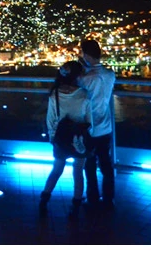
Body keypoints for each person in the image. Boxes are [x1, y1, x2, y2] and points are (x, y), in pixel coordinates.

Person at [39, 61, 93, 219]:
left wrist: (52, 137)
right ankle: (75, 205)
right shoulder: (84, 95)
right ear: (77, 76)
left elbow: (50, 119)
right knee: (78, 171)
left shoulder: (55, 93)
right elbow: (89, 120)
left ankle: (44, 200)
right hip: (79, 139)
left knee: (57, 169)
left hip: (60, 138)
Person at [78, 39, 116, 210]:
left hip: (90, 128)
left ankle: (93, 197)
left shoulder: (84, 79)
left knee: (90, 164)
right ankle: (109, 199)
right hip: (106, 127)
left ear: (85, 55)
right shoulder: (110, 75)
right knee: (106, 164)